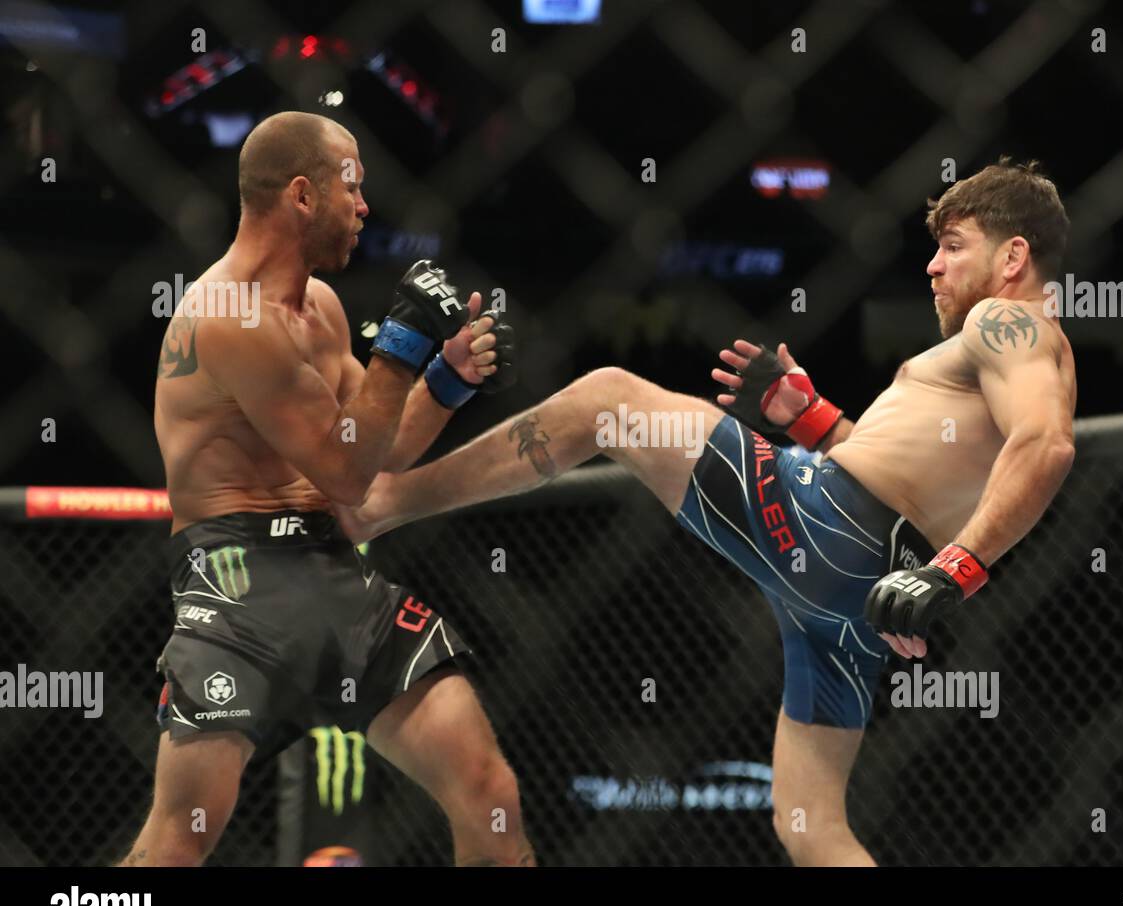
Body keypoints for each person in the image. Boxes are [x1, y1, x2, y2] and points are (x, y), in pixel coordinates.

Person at [336, 158, 1076, 866]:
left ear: (1014, 257)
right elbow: (905, 469)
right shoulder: (1003, 352)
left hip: (835, 531)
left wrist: (955, 572)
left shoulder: (1011, 326)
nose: (933, 266)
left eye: (952, 247)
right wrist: (810, 416)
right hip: (861, 590)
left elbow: (1045, 446)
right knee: (808, 821)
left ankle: (383, 505)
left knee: (609, 401)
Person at [124, 111, 532, 866]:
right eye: (354, 185)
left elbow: (375, 450)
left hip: (333, 568)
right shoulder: (227, 315)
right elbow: (345, 469)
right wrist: (404, 346)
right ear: (304, 195)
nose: (366, 206)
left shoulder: (323, 310)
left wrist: (447, 379)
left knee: (488, 790)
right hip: (235, 583)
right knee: (181, 839)